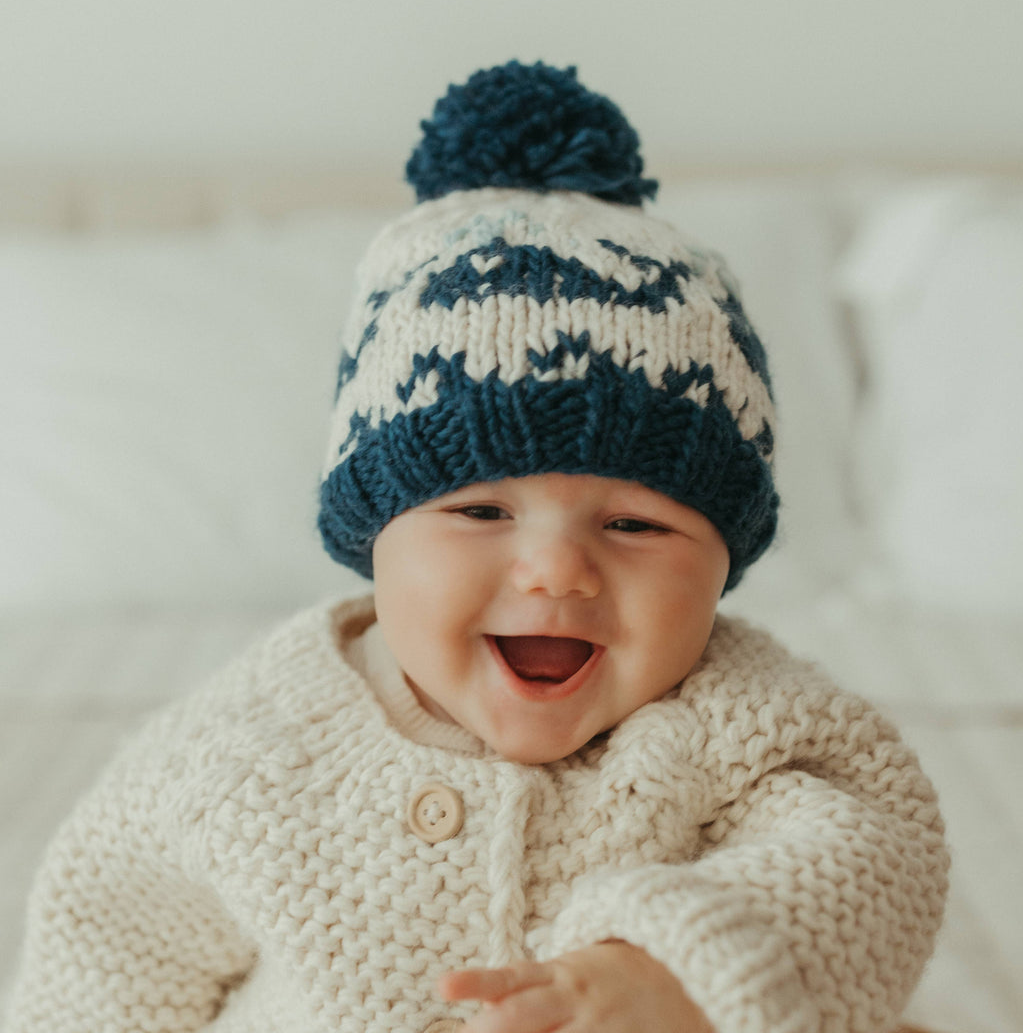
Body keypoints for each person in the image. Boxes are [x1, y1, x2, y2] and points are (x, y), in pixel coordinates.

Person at [4, 61, 949, 1033]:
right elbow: (100, 962)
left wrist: (686, 974)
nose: (555, 571)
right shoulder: (246, 752)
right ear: (375, 536)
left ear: (724, 562)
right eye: (481, 513)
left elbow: (873, 862)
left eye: (635, 524)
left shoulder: (742, 719)